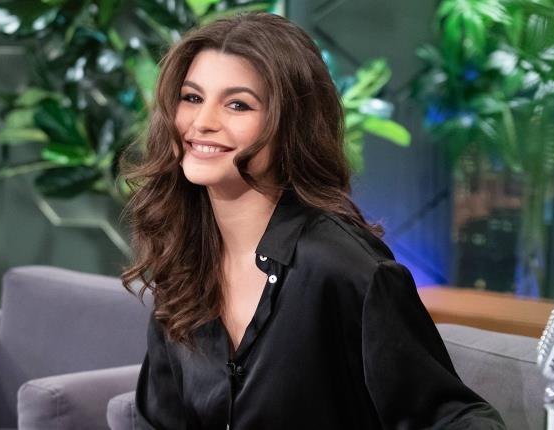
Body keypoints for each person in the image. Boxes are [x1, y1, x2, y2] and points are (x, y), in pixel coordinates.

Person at [119, 11, 506, 430]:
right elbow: (158, 420)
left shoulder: (344, 268)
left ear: (291, 125)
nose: (202, 123)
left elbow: (457, 419)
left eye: (238, 104)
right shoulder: (184, 258)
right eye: (192, 97)